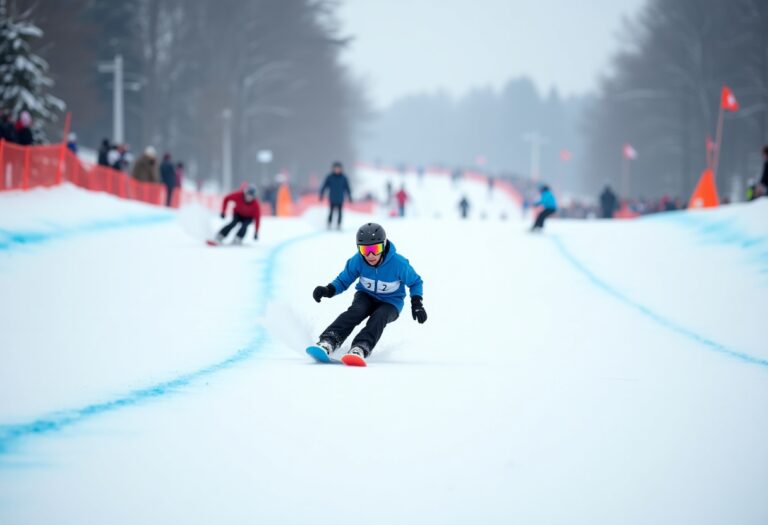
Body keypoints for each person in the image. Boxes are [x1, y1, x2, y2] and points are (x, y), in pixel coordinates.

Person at [311, 222, 426, 364]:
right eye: (365, 250)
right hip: (365, 296)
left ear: (383, 245)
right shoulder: (358, 261)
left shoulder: (398, 264)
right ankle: (329, 340)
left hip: (391, 302)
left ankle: (361, 347)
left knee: (380, 316)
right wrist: (328, 290)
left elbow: (415, 282)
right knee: (356, 311)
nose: (370, 255)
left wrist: (417, 303)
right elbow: (343, 280)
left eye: (375, 249)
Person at [319, 161, 352, 229]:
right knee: (331, 211)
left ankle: (338, 225)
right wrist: (321, 194)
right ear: (333, 169)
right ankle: (329, 224)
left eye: (338, 168)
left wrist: (350, 196)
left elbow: (347, 188)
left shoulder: (344, 178)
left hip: (340, 198)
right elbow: (324, 186)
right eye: (336, 168)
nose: (337, 170)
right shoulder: (330, 177)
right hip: (332, 197)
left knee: (340, 212)